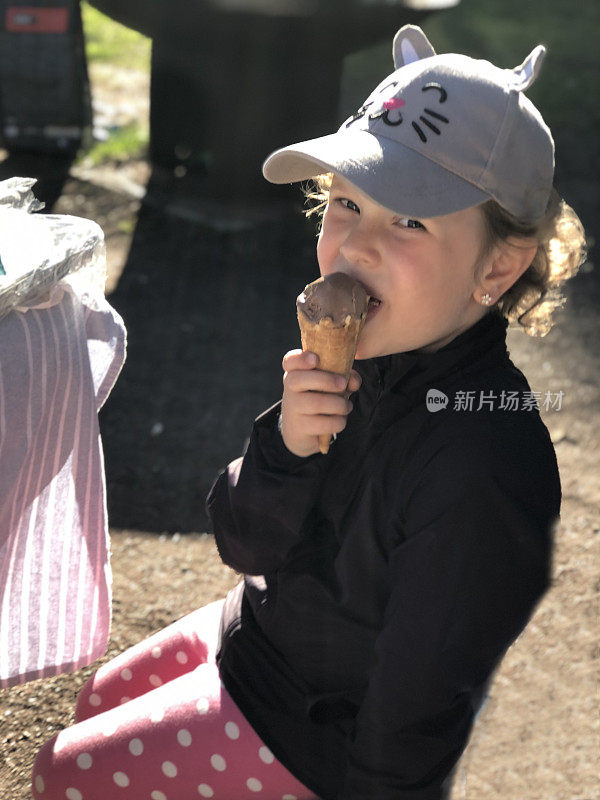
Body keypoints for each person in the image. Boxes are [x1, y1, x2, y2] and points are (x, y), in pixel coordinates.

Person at [32, 24, 586, 800]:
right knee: (98, 700)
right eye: (349, 203)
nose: (356, 245)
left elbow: (423, 697)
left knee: (66, 774)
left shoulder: (482, 463)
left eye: (410, 221)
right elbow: (242, 539)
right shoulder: (358, 359)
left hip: (319, 731)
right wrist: (287, 447)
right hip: (259, 638)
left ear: (497, 266)